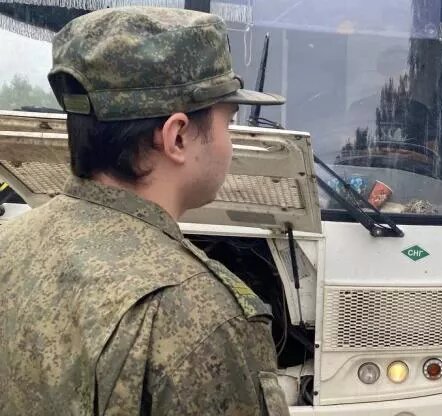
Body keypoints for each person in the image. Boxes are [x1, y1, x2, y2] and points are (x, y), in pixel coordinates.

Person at [0, 7, 290, 415]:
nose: (231, 141)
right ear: (177, 136)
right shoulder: (201, 316)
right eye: (230, 121)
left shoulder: (9, 246)